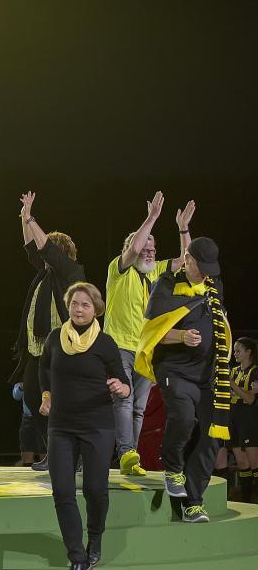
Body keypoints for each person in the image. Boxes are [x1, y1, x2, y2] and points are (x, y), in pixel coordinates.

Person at [39, 282, 130, 570]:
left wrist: (121, 388)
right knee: (62, 492)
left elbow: (124, 382)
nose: (78, 309)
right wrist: (46, 394)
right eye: (74, 304)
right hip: (61, 426)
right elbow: (44, 368)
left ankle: (95, 538)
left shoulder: (105, 343)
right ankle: (77, 558)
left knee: (95, 489)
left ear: (96, 310)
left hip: (97, 426)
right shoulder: (55, 338)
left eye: (85, 305)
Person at [135, 237, 230, 523]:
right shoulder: (165, 286)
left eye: (209, 268)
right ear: (187, 260)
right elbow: (150, 333)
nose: (205, 274)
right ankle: (173, 468)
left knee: (214, 435)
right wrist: (181, 336)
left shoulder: (213, 286)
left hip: (207, 375)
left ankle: (193, 502)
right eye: (201, 266)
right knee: (185, 418)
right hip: (174, 370)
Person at [104, 192, 193, 476]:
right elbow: (134, 248)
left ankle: (128, 458)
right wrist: (152, 218)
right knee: (124, 399)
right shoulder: (119, 269)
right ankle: (126, 452)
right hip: (118, 346)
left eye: (153, 249)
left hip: (145, 350)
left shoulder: (155, 274)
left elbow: (187, 261)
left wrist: (183, 229)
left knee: (139, 408)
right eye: (145, 248)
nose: (150, 252)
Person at [12, 191, 85, 472]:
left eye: (49, 252)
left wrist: (32, 218)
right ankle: (55, 450)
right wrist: (24, 218)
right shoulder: (45, 274)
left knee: (62, 402)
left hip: (62, 349)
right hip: (37, 348)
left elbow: (44, 249)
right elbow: (32, 247)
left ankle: (72, 454)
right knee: (33, 398)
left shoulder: (70, 272)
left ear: (59, 253)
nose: (42, 256)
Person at [226, 337, 258, 502]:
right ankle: (246, 502)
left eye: (238, 350)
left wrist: (232, 385)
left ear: (248, 352)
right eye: (234, 350)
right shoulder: (233, 371)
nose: (235, 353)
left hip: (249, 419)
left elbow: (250, 399)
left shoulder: (255, 371)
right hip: (233, 418)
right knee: (241, 463)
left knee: (254, 464)